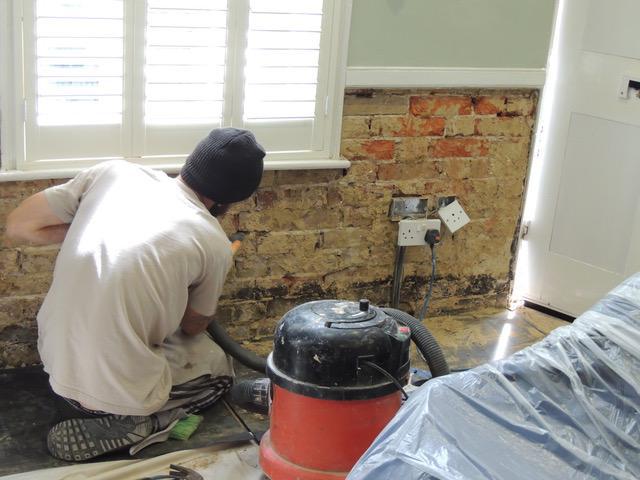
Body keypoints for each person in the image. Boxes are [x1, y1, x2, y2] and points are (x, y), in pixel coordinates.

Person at [5, 128, 265, 461]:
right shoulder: (212, 241)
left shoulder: (114, 172)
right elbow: (193, 326)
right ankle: (145, 422)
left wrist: (96, 227)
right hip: (107, 395)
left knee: (126, 330)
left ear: (192, 161)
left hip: (55, 366)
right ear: (230, 199)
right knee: (218, 366)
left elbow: (19, 224)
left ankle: (100, 401)